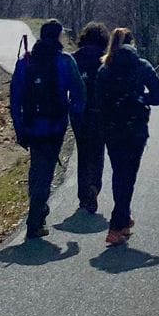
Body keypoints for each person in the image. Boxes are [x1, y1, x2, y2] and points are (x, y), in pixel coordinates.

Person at [9, 20, 86, 242]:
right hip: (55, 125)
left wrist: (19, 127)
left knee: (37, 168)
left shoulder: (26, 62)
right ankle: (35, 218)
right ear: (59, 36)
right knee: (46, 171)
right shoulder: (65, 61)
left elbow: (15, 99)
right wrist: (75, 118)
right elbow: (79, 94)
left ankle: (38, 212)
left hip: (32, 125)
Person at [95, 26, 159, 247]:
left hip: (112, 129)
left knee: (119, 174)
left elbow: (98, 101)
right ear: (132, 43)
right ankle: (116, 226)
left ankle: (124, 220)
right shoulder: (141, 66)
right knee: (129, 177)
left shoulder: (105, 69)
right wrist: (141, 99)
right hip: (135, 129)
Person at [71, 22, 110, 214]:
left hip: (79, 114)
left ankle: (83, 195)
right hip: (100, 113)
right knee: (98, 152)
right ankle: (95, 186)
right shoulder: (106, 59)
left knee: (83, 153)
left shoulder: (74, 59)